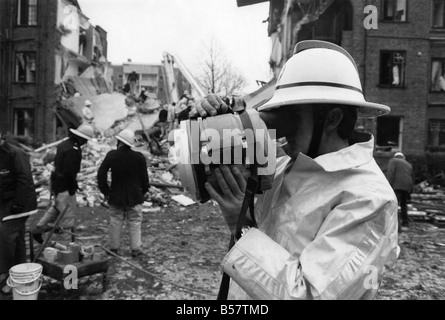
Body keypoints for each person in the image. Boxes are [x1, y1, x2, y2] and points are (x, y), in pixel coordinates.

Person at [195, 40, 399, 300]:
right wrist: (220, 126)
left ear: (333, 118)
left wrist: (242, 227)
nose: (283, 130)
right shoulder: (285, 168)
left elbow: (309, 295)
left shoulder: (369, 199)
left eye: (293, 116)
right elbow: (213, 174)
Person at [32, 124, 94, 244]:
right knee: (67, 216)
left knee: (57, 207)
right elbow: (69, 171)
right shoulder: (74, 149)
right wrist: (72, 187)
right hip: (65, 184)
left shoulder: (64, 144)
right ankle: (68, 245)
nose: (85, 143)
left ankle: (39, 228)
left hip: (57, 182)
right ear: (81, 138)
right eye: (85, 140)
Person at [97, 129, 149, 258]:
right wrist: (143, 192)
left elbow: (101, 174)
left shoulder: (112, 155)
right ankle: (136, 249)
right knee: (135, 221)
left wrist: (105, 191)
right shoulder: (139, 157)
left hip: (116, 194)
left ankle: (114, 249)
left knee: (115, 220)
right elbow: (144, 178)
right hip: (135, 195)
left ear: (119, 141)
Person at [0, 132, 38, 295]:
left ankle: (5, 275)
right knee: (18, 238)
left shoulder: (15, 153)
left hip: (20, 203)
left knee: (5, 236)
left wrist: (18, 204)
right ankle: (21, 272)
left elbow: (25, 179)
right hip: (5, 203)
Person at [386, 152, 415, 232]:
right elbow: (412, 178)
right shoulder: (408, 164)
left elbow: (390, 173)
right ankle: (405, 223)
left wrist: (388, 185)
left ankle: (396, 226)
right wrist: (410, 191)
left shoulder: (393, 161)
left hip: (396, 186)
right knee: (403, 205)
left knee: (394, 205)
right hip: (406, 187)